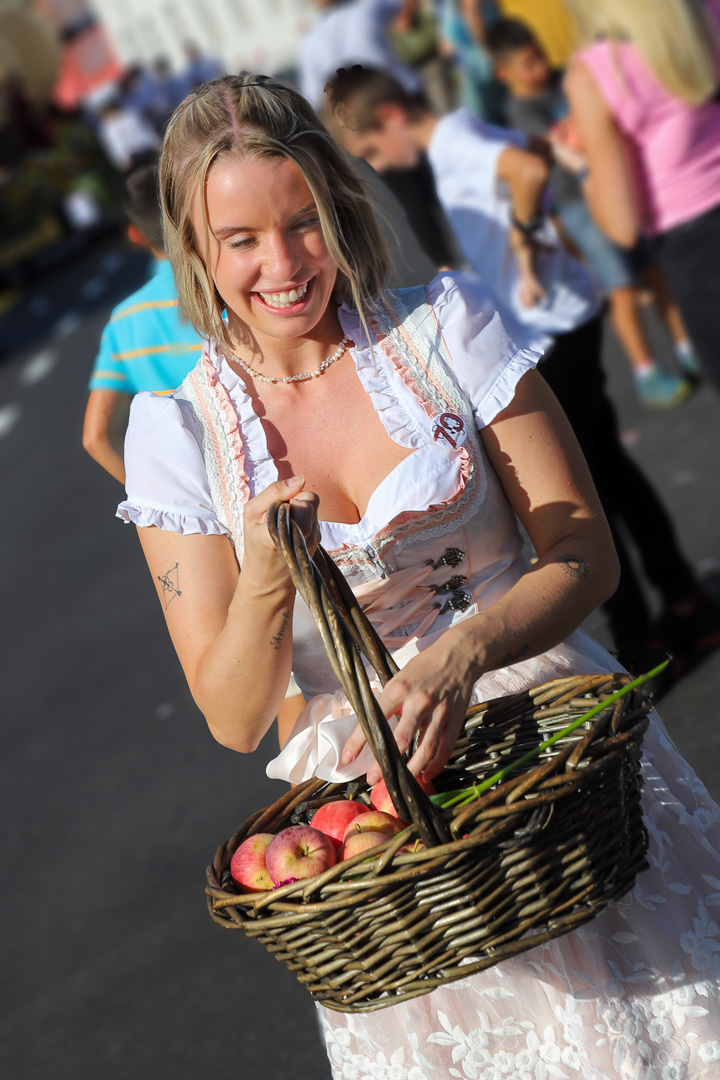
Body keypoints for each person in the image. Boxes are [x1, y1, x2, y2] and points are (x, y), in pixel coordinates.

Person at [117, 75, 720, 1077]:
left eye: (303, 223)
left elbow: (585, 553)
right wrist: (265, 575)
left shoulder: (443, 328)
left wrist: (464, 650)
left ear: (339, 206)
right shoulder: (177, 437)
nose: (283, 266)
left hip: (561, 754)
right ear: (194, 247)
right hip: (385, 846)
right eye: (242, 240)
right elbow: (233, 716)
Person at [326, 65, 720, 675]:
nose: (380, 165)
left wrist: (526, 236)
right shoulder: (462, 130)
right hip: (558, 320)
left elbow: (529, 170)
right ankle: (680, 599)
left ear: (393, 117)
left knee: (581, 494)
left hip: (548, 330)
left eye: (374, 151)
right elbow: (534, 150)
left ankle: (642, 632)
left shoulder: (453, 141)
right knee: (609, 471)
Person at [487, 16, 700, 409]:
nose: (539, 68)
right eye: (527, 64)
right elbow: (560, 146)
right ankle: (646, 370)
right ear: (504, 73)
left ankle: (687, 344)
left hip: (613, 186)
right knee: (622, 285)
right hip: (578, 203)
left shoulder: (564, 81)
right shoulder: (522, 111)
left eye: (538, 56)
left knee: (654, 268)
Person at [561, 0, 720, 393]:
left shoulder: (597, 71)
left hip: (699, 255)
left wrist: (582, 165)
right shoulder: (707, 14)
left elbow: (623, 226)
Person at [298, 0, 457, 267]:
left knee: (413, 199)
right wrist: (406, 26)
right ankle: (465, 245)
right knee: (443, 174)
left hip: (358, 119)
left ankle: (446, 264)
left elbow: (312, 96)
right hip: (398, 97)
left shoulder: (310, 40)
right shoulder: (367, 8)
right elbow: (406, 7)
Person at [83, 155, 204, 484]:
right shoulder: (225, 287)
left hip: (193, 490)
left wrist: (155, 498)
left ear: (136, 235)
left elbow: (94, 439)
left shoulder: (122, 324)